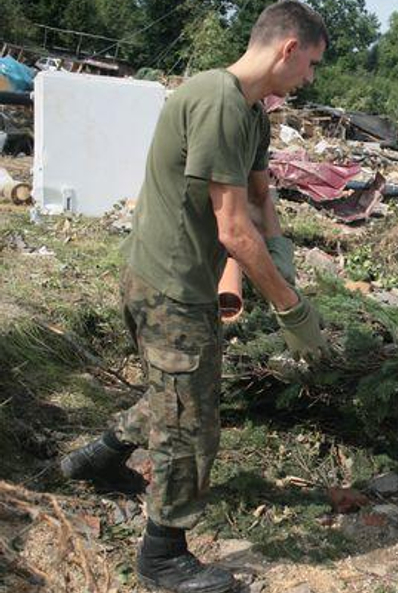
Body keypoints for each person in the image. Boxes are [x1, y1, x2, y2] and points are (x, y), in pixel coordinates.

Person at [59, 3, 330, 591]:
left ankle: (96, 458)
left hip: (188, 284)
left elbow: (259, 197)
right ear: (288, 48)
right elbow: (233, 229)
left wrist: (279, 249)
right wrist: (291, 307)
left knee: (180, 393)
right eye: (310, 65)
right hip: (169, 286)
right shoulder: (217, 102)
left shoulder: (254, 114)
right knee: (193, 422)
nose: (310, 79)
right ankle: (161, 556)